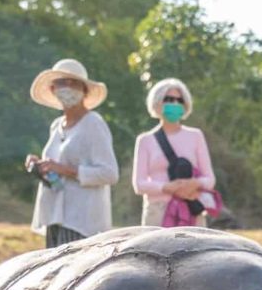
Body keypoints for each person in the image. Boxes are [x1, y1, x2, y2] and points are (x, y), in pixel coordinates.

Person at [25, 59, 120, 248]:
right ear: (53, 89)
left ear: (84, 90)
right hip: (55, 216)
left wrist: (66, 170)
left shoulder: (94, 124)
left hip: (82, 222)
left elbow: (110, 173)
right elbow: (56, 165)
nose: (67, 88)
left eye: (73, 83)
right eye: (61, 83)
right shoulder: (56, 126)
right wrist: (42, 165)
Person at [131, 78, 218, 227]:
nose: (175, 104)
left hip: (190, 210)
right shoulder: (145, 140)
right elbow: (139, 184)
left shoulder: (196, 136)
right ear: (157, 103)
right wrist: (166, 187)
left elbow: (209, 179)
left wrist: (193, 183)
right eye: (169, 99)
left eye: (180, 100)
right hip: (157, 213)